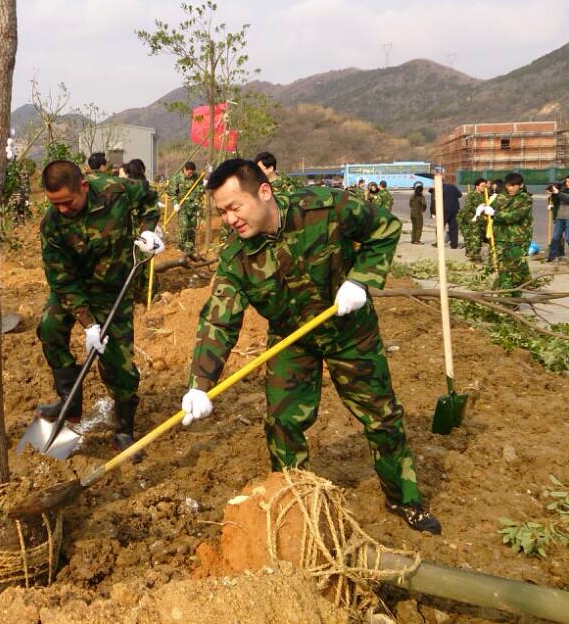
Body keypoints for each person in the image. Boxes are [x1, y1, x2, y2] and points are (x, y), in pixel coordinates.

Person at [178, 159, 440, 534]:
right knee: (283, 422)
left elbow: (386, 227)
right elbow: (218, 321)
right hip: (291, 340)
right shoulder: (236, 259)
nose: (229, 219)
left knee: (382, 417)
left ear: (263, 192)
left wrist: (361, 280)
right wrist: (199, 384)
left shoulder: (324, 207)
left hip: (350, 333)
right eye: (222, 212)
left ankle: (405, 498)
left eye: (234, 207)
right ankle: (294, 503)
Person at [35, 160, 162, 457]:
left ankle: (123, 429)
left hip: (113, 289)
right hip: (74, 289)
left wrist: (148, 231)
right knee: (50, 327)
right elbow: (61, 279)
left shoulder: (114, 190)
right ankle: (71, 400)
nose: (62, 209)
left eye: (67, 202)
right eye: (55, 204)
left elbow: (149, 197)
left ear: (82, 186)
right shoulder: (52, 224)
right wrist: (88, 323)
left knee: (119, 361)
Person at [478, 172, 532, 297]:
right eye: (508, 185)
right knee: (503, 272)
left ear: (520, 185)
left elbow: (514, 217)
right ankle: (507, 301)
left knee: (516, 274)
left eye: (514, 185)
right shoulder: (500, 197)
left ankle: (515, 302)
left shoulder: (525, 199)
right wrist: (482, 210)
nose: (511, 188)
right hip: (501, 240)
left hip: (517, 242)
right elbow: (489, 211)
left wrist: (494, 213)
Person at [169, 161, 204, 257]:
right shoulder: (177, 178)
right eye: (189, 172)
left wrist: (200, 190)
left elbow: (201, 189)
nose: (190, 174)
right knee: (184, 226)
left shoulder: (197, 177)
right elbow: (172, 193)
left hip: (194, 206)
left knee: (192, 227)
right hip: (182, 206)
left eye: (192, 172)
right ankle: (181, 246)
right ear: (185, 169)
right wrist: (175, 203)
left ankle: (190, 248)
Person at [460, 179, 488, 263]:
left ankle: (473, 254)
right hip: (473, 220)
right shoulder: (471, 195)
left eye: (485, 186)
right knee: (475, 239)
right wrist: (479, 210)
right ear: (477, 186)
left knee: (479, 239)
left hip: (482, 221)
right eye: (482, 186)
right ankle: (475, 257)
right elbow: (468, 207)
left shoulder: (484, 196)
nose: (484, 188)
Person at [430, 181, 463, 248]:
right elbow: (460, 195)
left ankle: (439, 243)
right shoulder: (452, 186)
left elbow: (434, 202)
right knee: (453, 228)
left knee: (440, 227)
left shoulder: (438, 189)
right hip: (455, 209)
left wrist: (433, 212)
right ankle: (454, 244)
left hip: (443, 210)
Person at [546, 174, 569, 262]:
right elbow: (554, 202)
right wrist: (551, 194)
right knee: (555, 237)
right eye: (566, 181)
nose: (567, 183)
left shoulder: (562, 192)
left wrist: (558, 193)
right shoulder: (562, 190)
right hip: (560, 217)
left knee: (568, 238)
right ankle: (552, 255)